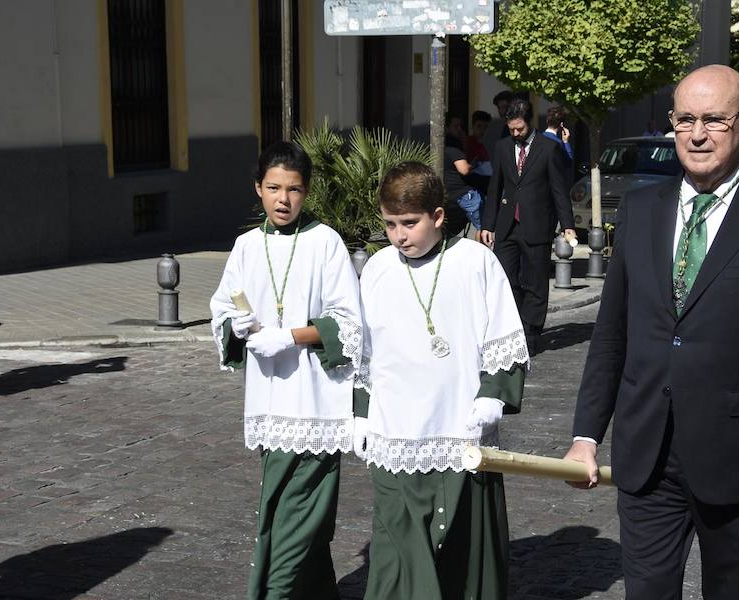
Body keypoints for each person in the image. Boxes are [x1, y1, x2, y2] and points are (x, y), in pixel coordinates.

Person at [565, 65, 739, 599]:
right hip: (647, 457)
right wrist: (585, 436)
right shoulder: (642, 211)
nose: (696, 134)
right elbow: (612, 335)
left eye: (714, 120)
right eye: (685, 119)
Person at [355, 162, 528, 600]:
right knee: (397, 552)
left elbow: (504, 336)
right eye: (391, 224)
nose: (399, 235)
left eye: (410, 223)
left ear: (437, 215)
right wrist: (359, 413)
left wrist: (492, 398)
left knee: (460, 552)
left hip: (458, 428)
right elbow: (363, 353)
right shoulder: (377, 269)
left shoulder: (474, 262)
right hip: (393, 432)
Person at [209, 141, 363, 599]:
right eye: (273, 188)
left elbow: (350, 323)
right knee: (284, 510)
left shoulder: (326, 242)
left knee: (293, 517)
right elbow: (222, 310)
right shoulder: (245, 246)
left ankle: (270, 593)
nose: (283, 199)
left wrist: (293, 335)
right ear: (258, 189)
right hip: (270, 399)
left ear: (306, 192)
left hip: (317, 403)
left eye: (293, 190)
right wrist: (235, 327)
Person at [480, 98, 576, 355]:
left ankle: (531, 332)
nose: (515, 134)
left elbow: (559, 190)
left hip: (537, 224)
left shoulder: (548, 148)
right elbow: (494, 187)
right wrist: (487, 224)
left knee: (535, 282)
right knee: (506, 280)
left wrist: (568, 225)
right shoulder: (502, 148)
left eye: (519, 129)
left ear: (530, 122)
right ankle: (514, 327)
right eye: (511, 129)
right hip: (508, 224)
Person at [443, 113, 482, 235]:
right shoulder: (453, 148)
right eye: (456, 126)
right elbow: (464, 169)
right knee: (482, 227)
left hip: (449, 195)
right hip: (461, 194)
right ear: (446, 128)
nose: (460, 130)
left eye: (461, 126)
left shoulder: (443, 148)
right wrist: (472, 166)